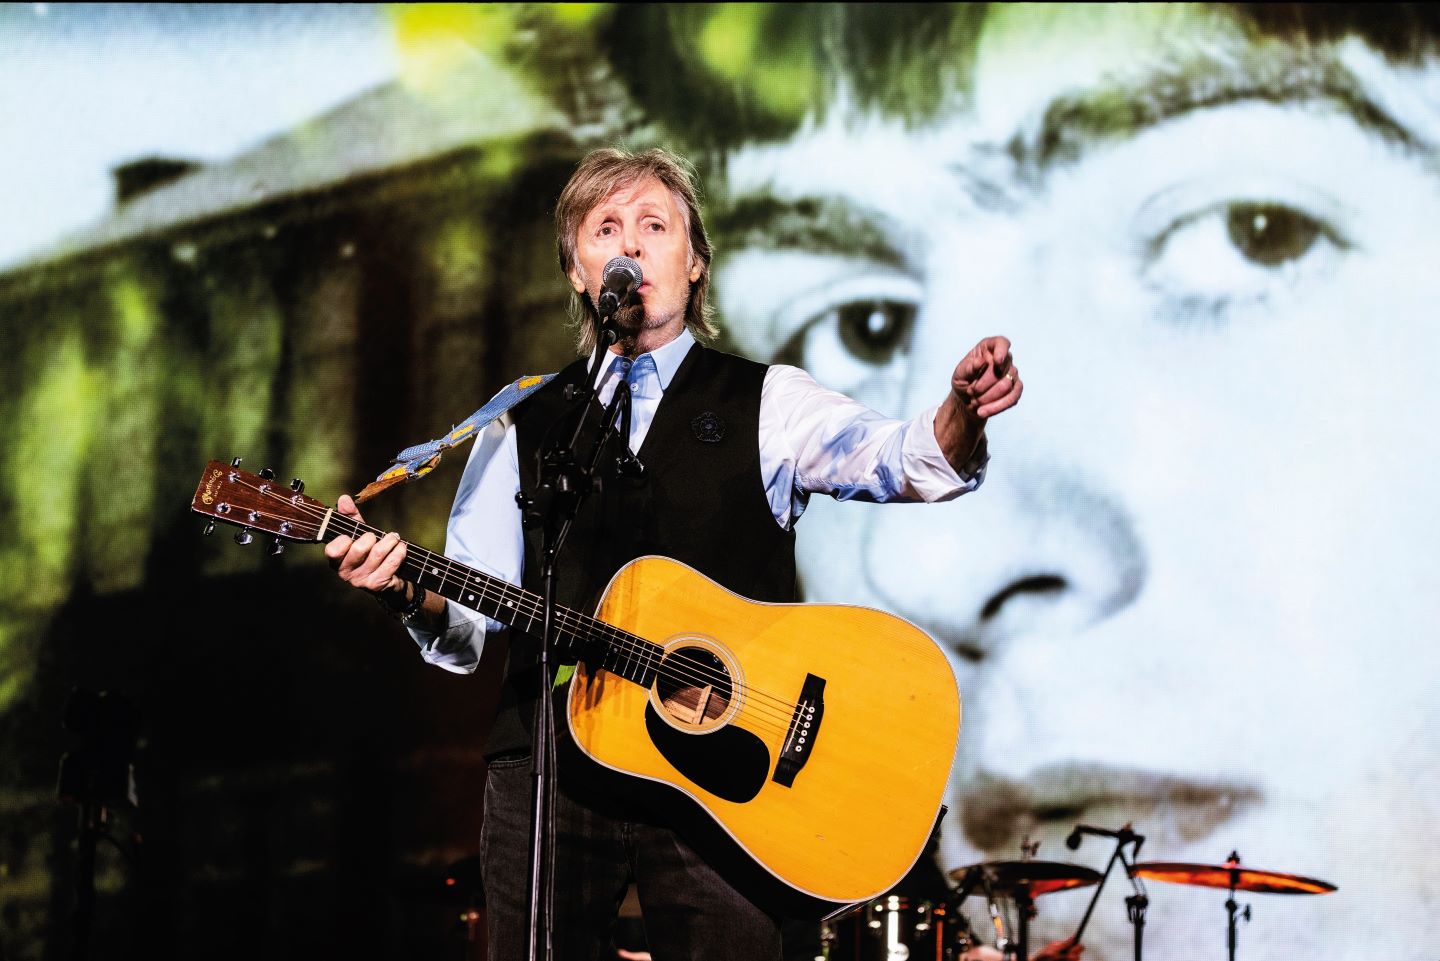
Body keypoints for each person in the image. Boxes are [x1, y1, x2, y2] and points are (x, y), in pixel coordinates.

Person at [586, 4, 1439, 959]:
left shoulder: (768, 404)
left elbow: (909, 456)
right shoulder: (547, 420)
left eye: (1252, 231)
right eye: (864, 323)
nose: (939, 570)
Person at [324, 146, 1022, 960]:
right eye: (605, 229)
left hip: (731, 780)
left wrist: (961, 414)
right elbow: (469, 625)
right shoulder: (519, 422)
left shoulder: (768, 401)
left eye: (654, 226)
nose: (631, 243)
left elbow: (905, 460)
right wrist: (406, 592)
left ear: (694, 264)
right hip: (550, 769)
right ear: (579, 272)